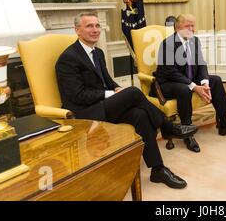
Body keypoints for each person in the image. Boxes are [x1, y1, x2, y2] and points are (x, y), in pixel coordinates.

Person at [56, 12, 198, 189]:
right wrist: (110, 94)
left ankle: (158, 170)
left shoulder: (98, 53)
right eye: (89, 26)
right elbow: (76, 96)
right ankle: (167, 126)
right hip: (84, 112)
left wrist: (116, 88)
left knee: (140, 114)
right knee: (132, 92)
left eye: (97, 25)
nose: (95, 30)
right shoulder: (68, 58)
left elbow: (107, 81)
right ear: (77, 30)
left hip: (102, 106)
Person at [152, 14, 226, 153]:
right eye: (187, 26)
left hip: (187, 78)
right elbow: (171, 72)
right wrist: (194, 87)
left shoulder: (194, 41)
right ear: (177, 28)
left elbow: (201, 64)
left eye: (193, 26)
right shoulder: (167, 44)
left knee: (216, 80)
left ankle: (224, 125)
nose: (191, 29)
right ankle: (187, 132)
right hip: (168, 83)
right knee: (184, 89)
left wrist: (204, 82)